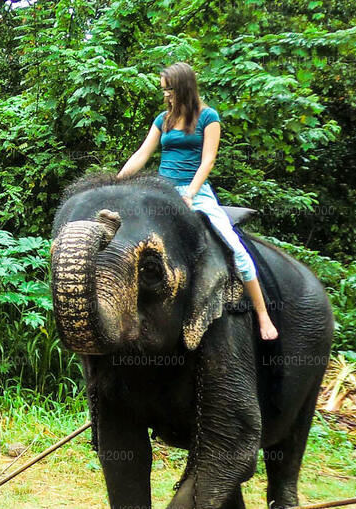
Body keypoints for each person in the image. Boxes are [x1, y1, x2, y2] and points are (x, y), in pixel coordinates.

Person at [117, 61, 279, 341]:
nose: (165, 95)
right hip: (161, 190)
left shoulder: (208, 117)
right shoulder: (163, 120)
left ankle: (263, 314)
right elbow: (143, 153)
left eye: (169, 90)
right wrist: (117, 182)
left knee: (235, 249)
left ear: (183, 87)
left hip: (196, 192)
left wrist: (191, 192)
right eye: (163, 91)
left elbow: (208, 159)